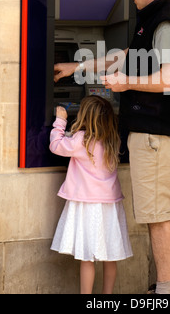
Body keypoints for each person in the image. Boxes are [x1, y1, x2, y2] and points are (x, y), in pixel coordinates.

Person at [54, 0, 170, 295]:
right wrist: (77, 68)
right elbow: (124, 56)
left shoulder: (165, 23)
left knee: (158, 217)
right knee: (155, 215)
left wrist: (126, 83)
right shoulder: (151, 20)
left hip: (158, 136)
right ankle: (162, 290)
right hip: (154, 136)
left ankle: (163, 294)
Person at [50, 95, 133, 294]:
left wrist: (60, 121)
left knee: (88, 257)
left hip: (87, 204)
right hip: (109, 206)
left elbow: (56, 146)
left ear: (84, 116)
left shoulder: (81, 140)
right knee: (109, 255)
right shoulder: (112, 139)